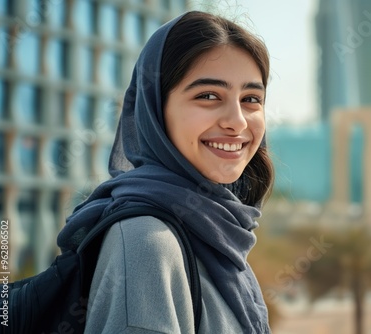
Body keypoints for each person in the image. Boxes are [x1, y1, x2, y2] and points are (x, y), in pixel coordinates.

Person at [56, 10, 274, 334]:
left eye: (251, 99)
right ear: (155, 109)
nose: (238, 121)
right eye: (209, 95)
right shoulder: (148, 243)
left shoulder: (216, 230)